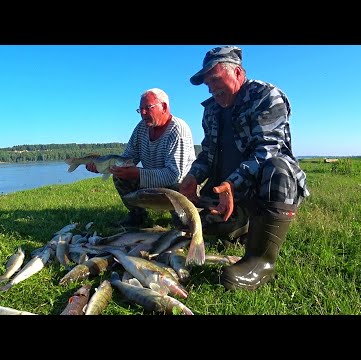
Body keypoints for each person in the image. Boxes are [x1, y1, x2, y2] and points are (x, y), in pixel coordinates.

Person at [179, 46, 310, 291]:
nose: (212, 89)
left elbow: (268, 149)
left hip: (256, 188)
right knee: (187, 227)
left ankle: (261, 262)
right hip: (225, 194)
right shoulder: (211, 109)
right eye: (208, 84)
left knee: (278, 168)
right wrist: (194, 177)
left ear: (238, 72)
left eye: (216, 80)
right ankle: (241, 225)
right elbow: (207, 153)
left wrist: (231, 184)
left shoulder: (265, 96)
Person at [86, 88, 196, 227]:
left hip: (179, 186)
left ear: (164, 107)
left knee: (183, 226)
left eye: (148, 108)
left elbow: (174, 175)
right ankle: (137, 216)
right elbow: (128, 157)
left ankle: (183, 214)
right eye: (140, 109)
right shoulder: (141, 127)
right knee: (121, 177)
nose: (143, 113)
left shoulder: (178, 130)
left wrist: (138, 173)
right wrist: (104, 167)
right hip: (153, 180)